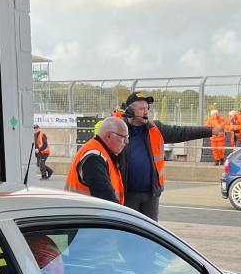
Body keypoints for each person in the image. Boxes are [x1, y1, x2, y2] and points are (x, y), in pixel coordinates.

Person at [121, 91, 212, 220]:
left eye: (147, 108)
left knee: (151, 228)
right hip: (127, 194)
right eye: (141, 109)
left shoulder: (155, 128)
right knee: (128, 228)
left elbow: (181, 132)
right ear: (130, 111)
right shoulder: (119, 129)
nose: (146, 112)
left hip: (151, 194)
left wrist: (211, 131)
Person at [65, 116, 128, 203]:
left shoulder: (104, 153)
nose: (126, 141)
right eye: (123, 137)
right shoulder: (94, 158)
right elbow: (106, 199)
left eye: (127, 137)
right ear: (109, 136)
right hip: (85, 211)